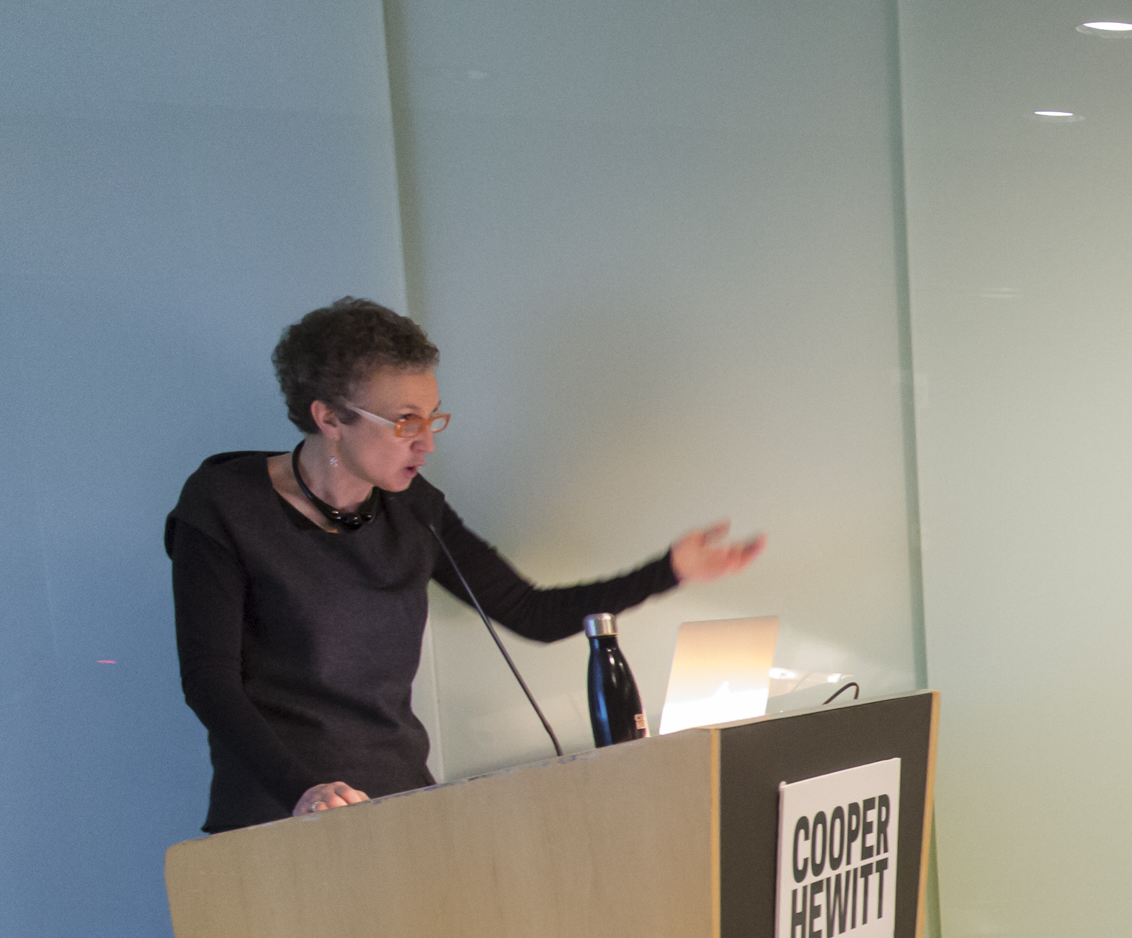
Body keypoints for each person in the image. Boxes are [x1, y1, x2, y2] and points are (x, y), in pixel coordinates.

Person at [166, 297, 764, 833]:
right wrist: (304, 791)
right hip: (275, 821)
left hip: (402, 812)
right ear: (328, 418)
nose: (426, 443)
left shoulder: (416, 510)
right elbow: (210, 683)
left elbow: (531, 612)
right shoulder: (226, 506)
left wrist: (671, 570)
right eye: (405, 422)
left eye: (433, 418)